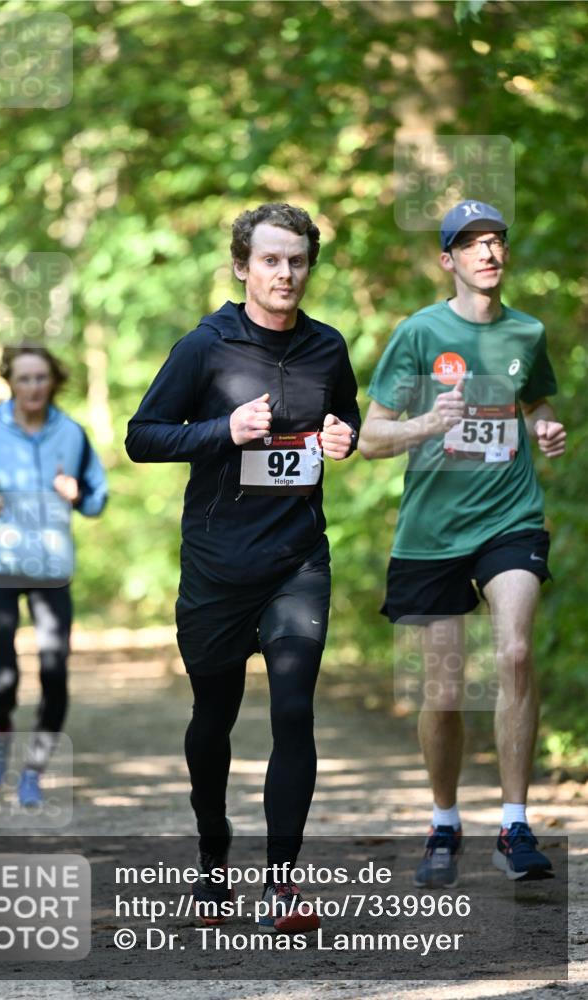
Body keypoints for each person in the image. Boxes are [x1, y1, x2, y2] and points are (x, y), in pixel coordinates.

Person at [126, 203, 360, 930]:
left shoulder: (327, 347)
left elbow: (343, 421)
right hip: (217, 567)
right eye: (269, 259)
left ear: (307, 267)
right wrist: (220, 430)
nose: (283, 272)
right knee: (213, 717)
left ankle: (282, 885)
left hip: (296, 562)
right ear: (241, 266)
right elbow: (142, 437)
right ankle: (212, 863)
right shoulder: (206, 345)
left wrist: (341, 438)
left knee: (293, 710)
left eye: (295, 260)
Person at [359, 200, 566, 886]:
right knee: (444, 692)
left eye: (496, 241)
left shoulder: (527, 332)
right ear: (446, 259)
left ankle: (513, 824)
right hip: (431, 535)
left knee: (512, 651)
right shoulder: (419, 333)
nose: (487, 253)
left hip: (509, 517)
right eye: (470, 244)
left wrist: (544, 427)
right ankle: (443, 820)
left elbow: (535, 401)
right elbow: (369, 438)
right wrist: (426, 424)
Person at [0, 346, 108, 807]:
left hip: (52, 567)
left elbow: (97, 498)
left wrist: (77, 495)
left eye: (41, 378)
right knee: (3, 676)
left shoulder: (72, 434)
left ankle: (33, 769)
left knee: (55, 673)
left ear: (54, 381)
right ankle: (0, 730)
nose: (33, 387)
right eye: (25, 378)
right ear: (10, 381)